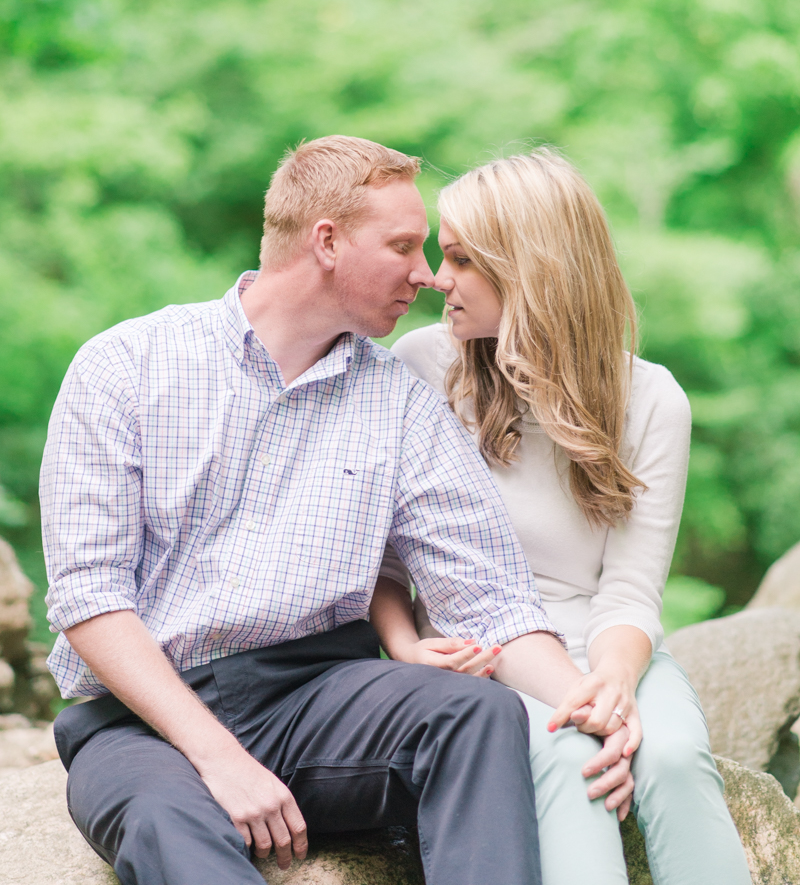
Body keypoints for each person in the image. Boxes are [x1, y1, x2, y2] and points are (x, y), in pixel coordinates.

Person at [41, 135, 632, 885]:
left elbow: (490, 602)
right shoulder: (125, 366)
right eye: (402, 246)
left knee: (476, 714)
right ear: (326, 241)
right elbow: (90, 599)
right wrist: (219, 759)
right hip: (140, 722)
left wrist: (595, 706)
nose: (425, 276)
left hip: (319, 697)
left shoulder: (401, 405)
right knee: (165, 821)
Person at [370, 149, 752, 885]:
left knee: (669, 754)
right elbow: (382, 561)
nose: (435, 278)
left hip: (607, 648)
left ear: (529, 269)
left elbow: (633, 591)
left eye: (460, 260)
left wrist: (610, 688)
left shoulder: (651, 399)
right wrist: (404, 645)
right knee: (574, 759)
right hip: (478, 658)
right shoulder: (419, 368)